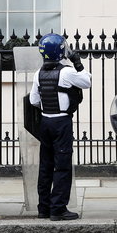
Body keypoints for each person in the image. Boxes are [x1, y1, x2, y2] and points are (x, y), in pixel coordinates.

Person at [30, 33, 91, 221]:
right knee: (62, 166)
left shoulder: (38, 73)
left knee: (45, 166)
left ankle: (43, 208)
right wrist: (78, 62)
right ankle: (58, 209)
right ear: (60, 52)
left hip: (45, 122)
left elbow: (34, 100)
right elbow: (87, 81)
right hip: (61, 123)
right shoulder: (66, 72)